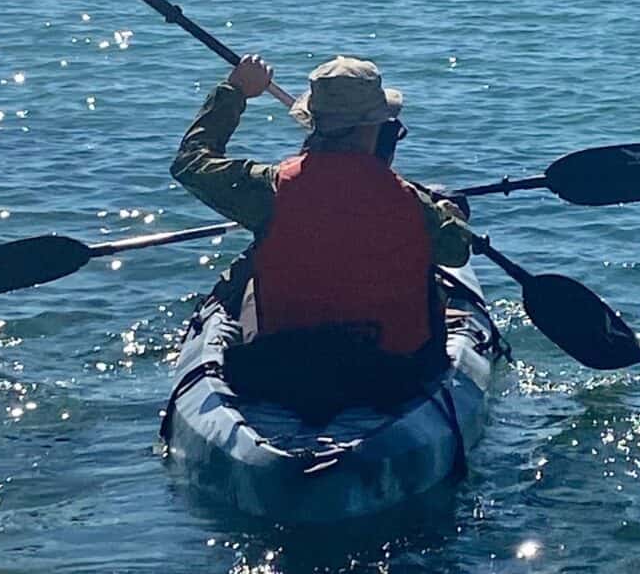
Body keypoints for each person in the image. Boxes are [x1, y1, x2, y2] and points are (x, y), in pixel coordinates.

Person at [170, 54, 471, 412]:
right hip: (391, 376)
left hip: (287, 369)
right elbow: (456, 251)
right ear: (376, 125)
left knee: (246, 280)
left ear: (315, 123)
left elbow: (191, 163)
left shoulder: (271, 191)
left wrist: (233, 91)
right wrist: (449, 213)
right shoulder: (410, 201)